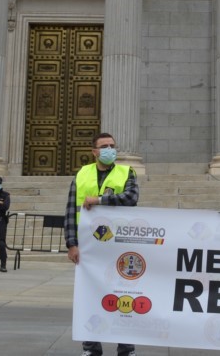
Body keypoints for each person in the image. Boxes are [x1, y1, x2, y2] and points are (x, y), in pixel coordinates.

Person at [64, 133, 138, 356]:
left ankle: (126, 347)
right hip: (89, 249)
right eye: (104, 146)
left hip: (119, 246)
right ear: (94, 151)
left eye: (112, 146)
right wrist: (71, 244)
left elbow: (131, 198)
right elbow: (70, 211)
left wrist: (100, 200)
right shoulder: (82, 174)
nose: (110, 150)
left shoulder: (127, 172)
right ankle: (91, 347)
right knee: (90, 297)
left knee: (125, 297)